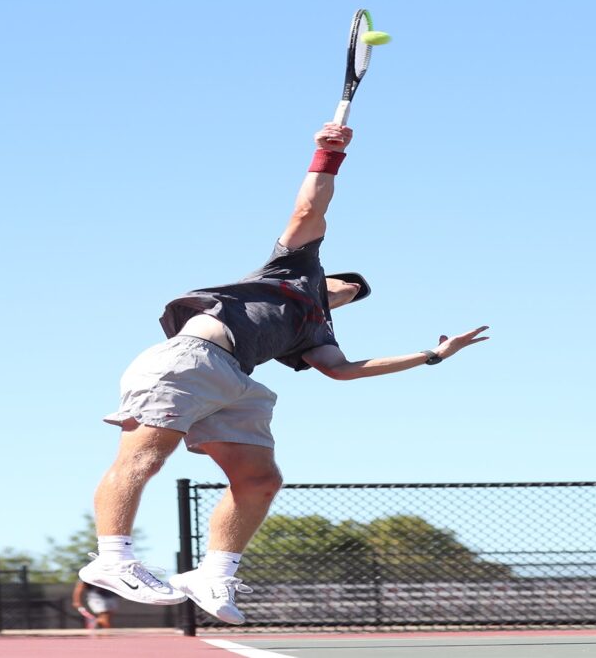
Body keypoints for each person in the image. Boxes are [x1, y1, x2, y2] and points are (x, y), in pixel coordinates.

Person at [79, 123, 490, 625]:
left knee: (261, 479)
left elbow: (345, 371)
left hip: (236, 380)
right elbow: (308, 209)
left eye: (357, 293)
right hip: (190, 356)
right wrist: (327, 155)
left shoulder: (315, 331)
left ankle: (214, 573)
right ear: (329, 273)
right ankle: (112, 557)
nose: (350, 290)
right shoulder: (292, 268)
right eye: (347, 282)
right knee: (145, 456)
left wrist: (431, 355)